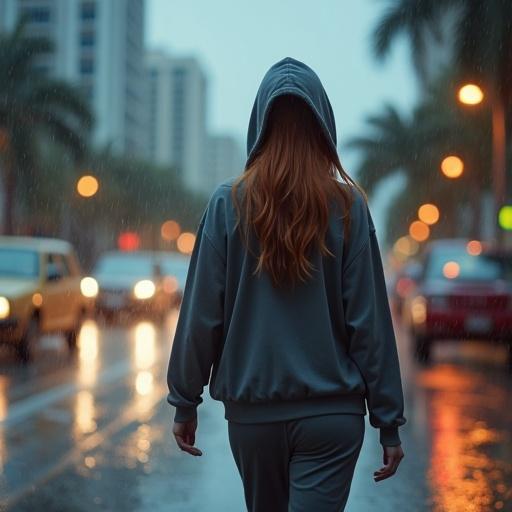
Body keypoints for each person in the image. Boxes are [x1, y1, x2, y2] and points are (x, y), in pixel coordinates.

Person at [166, 56, 406, 512]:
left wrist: (185, 400)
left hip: (254, 418)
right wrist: (388, 422)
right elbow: (370, 326)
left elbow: (201, 314)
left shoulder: (227, 204)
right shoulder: (348, 206)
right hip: (331, 419)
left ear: (261, 124)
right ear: (323, 126)